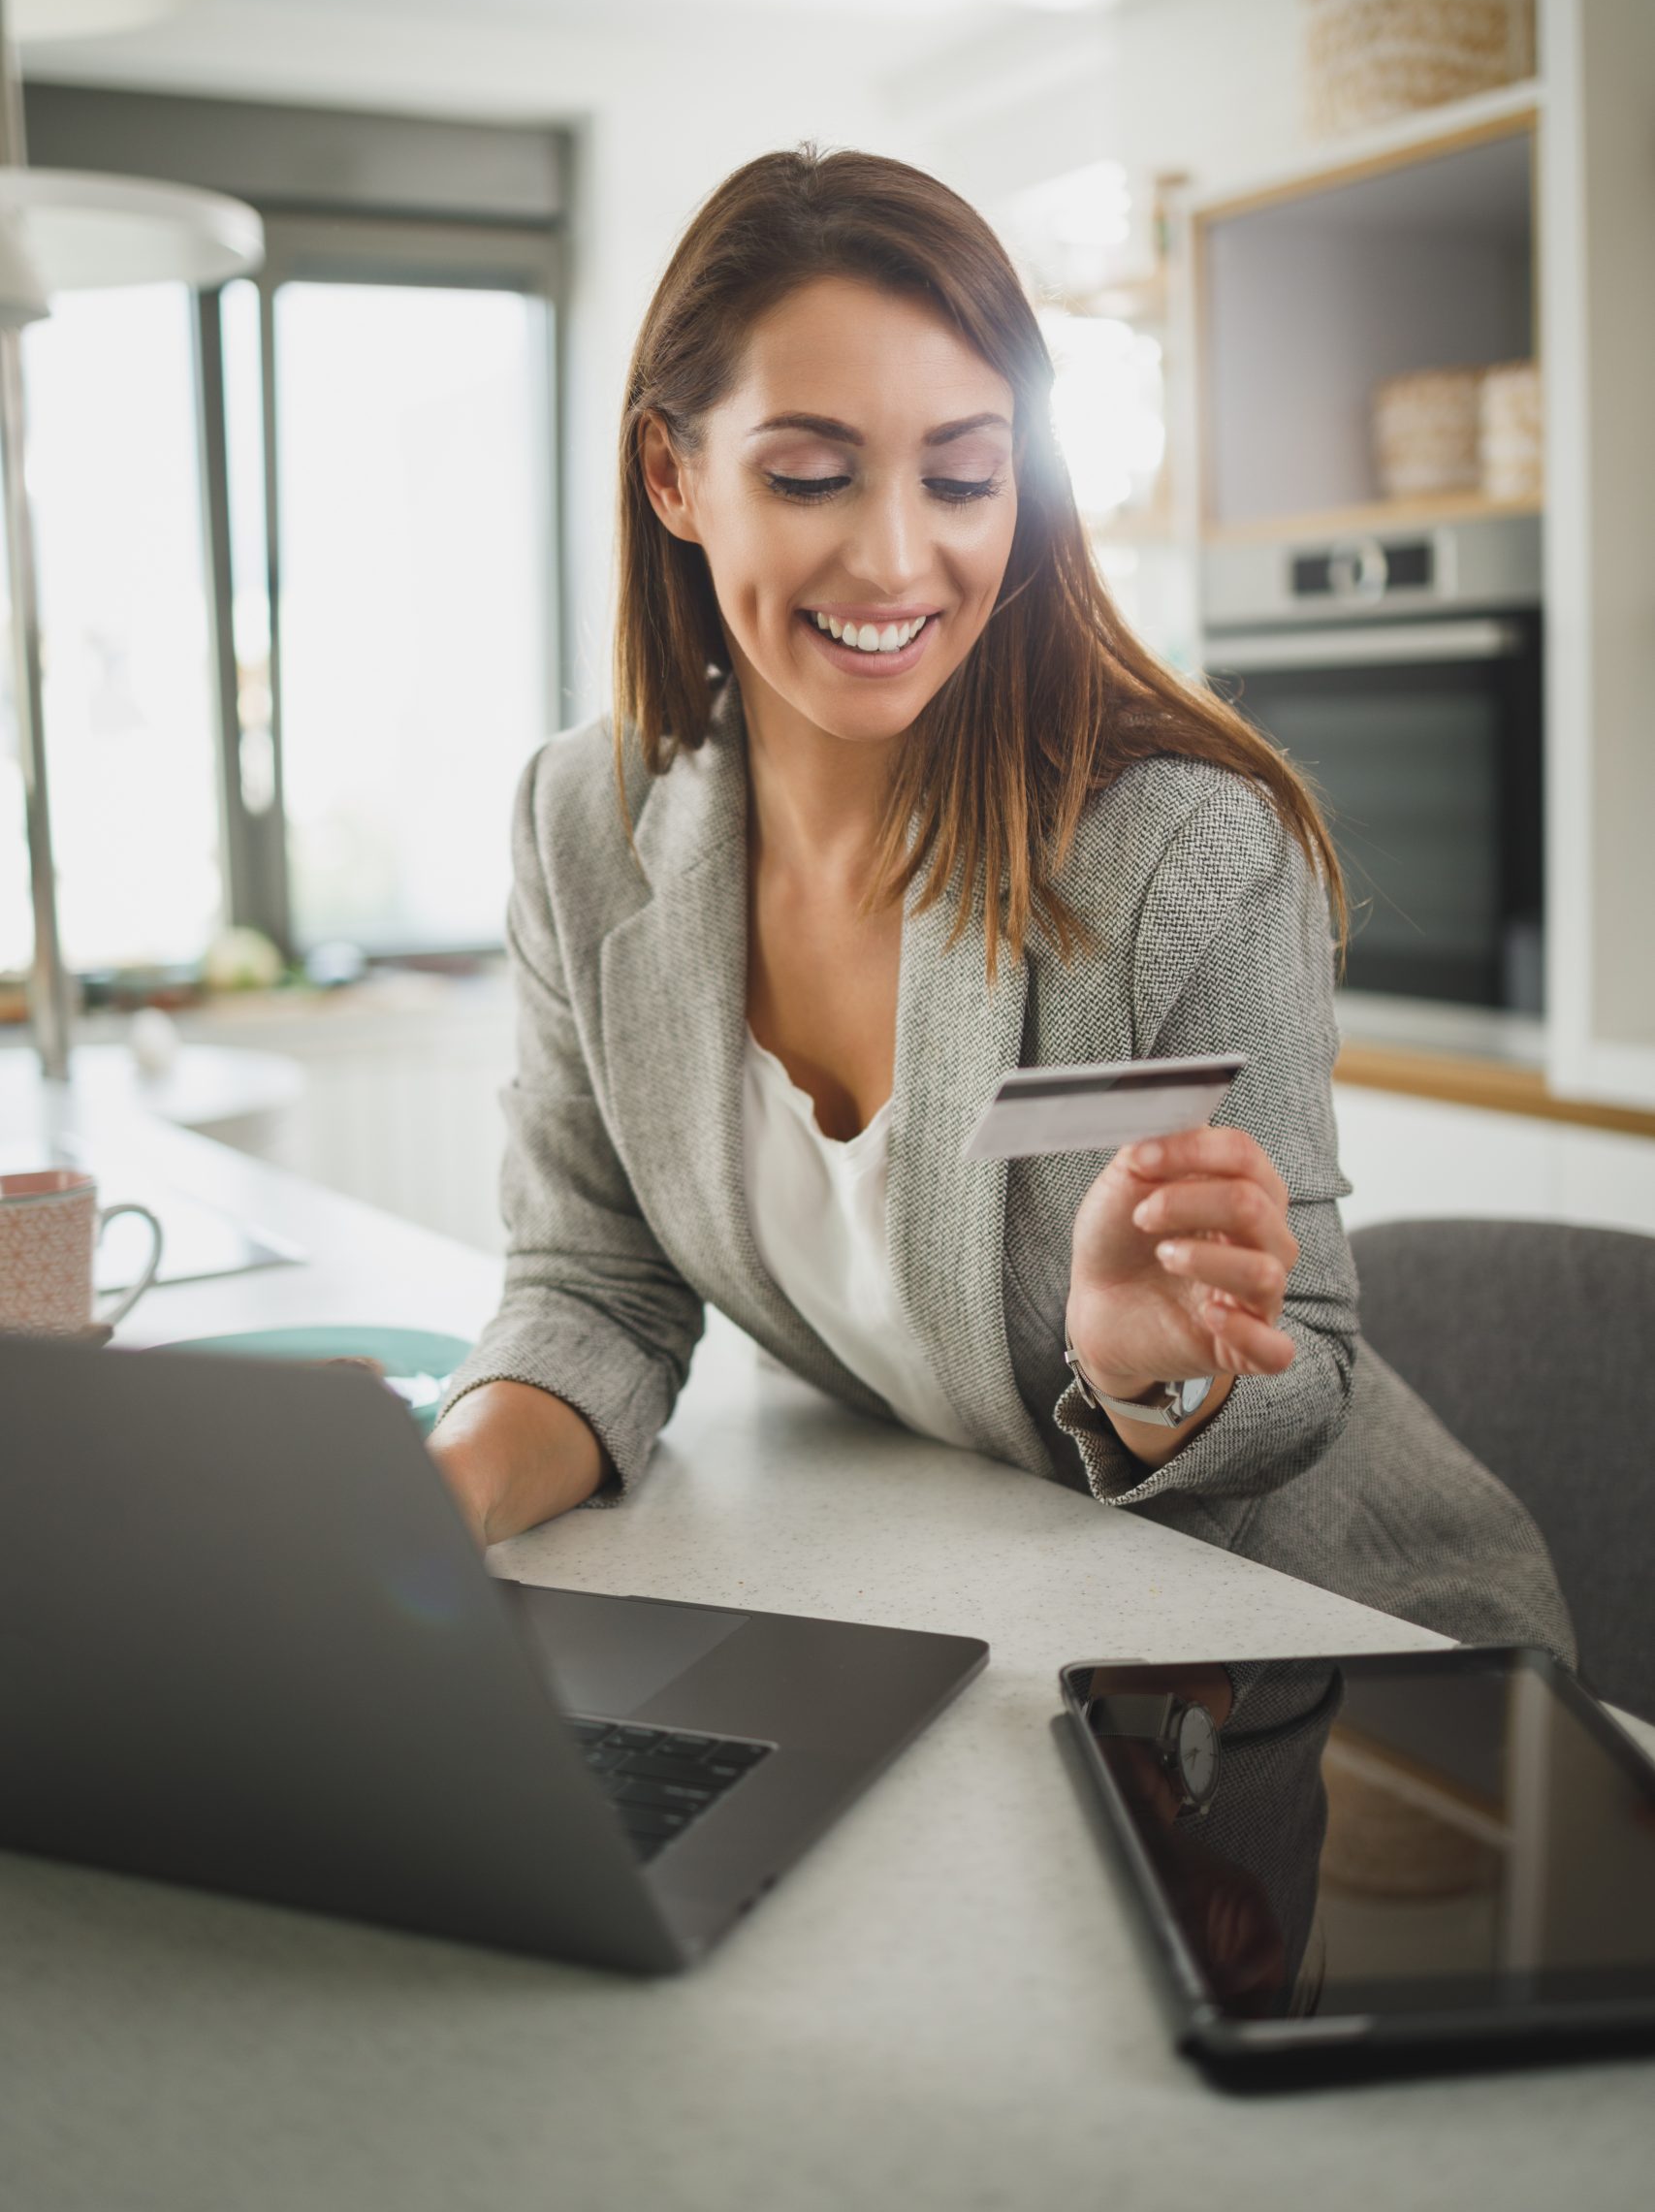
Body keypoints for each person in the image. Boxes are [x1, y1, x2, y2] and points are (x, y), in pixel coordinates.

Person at [428, 144, 1571, 1659]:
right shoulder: (585, 825)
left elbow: (1311, 1369)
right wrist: (421, 1509)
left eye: (963, 476)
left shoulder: (1183, 854)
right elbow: (593, 1288)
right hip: (987, 1617)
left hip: (1337, 1659)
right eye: (811, 473)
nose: (900, 555)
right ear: (673, 474)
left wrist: (1157, 1377)